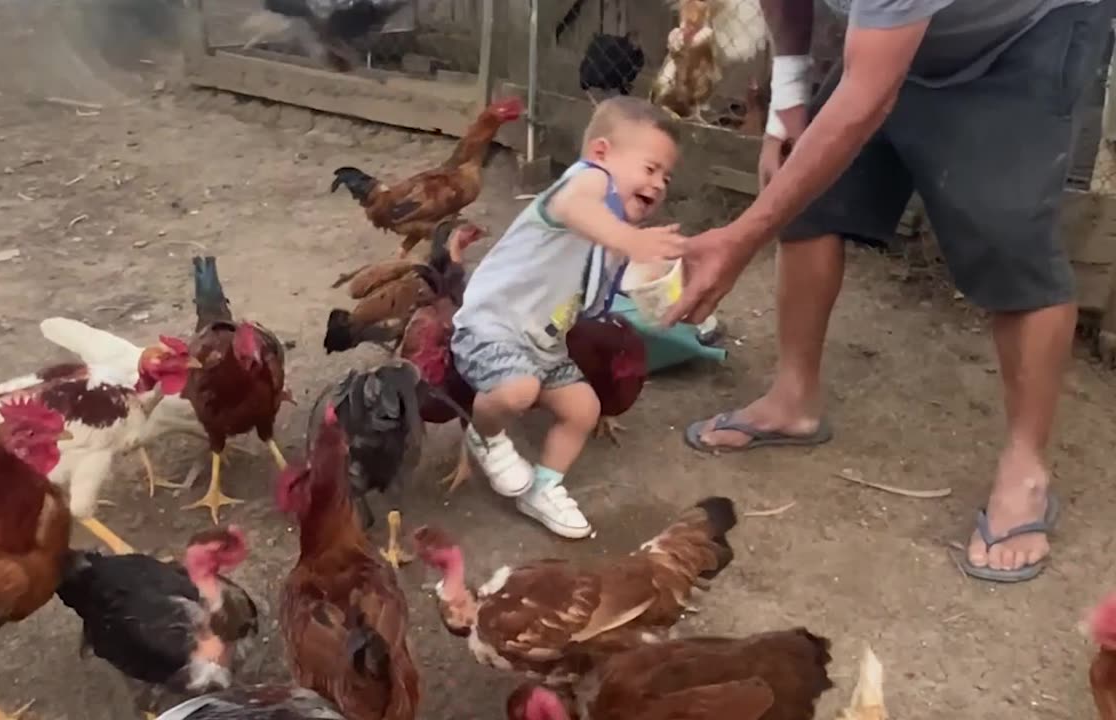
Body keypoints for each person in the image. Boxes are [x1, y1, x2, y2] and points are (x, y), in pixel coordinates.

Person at [663, 0, 1116, 582]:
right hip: (895, 35)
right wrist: (788, 101)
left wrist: (743, 237)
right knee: (807, 193)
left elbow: (868, 94)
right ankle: (793, 400)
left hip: (1023, 33)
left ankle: (1026, 468)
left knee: (1009, 238)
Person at [452, 96, 688, 538]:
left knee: (584, 408)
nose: (658, 185)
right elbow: (573, 208)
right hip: (492, 329)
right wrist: (628, 241)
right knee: (517, 390)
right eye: (650, 168)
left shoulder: (612, 227)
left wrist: (655, 274)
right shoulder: (585, 183)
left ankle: (543, 486)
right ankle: (484, 434)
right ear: (601, 154)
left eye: (666, 178)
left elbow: (600, 288)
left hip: (543, 344)